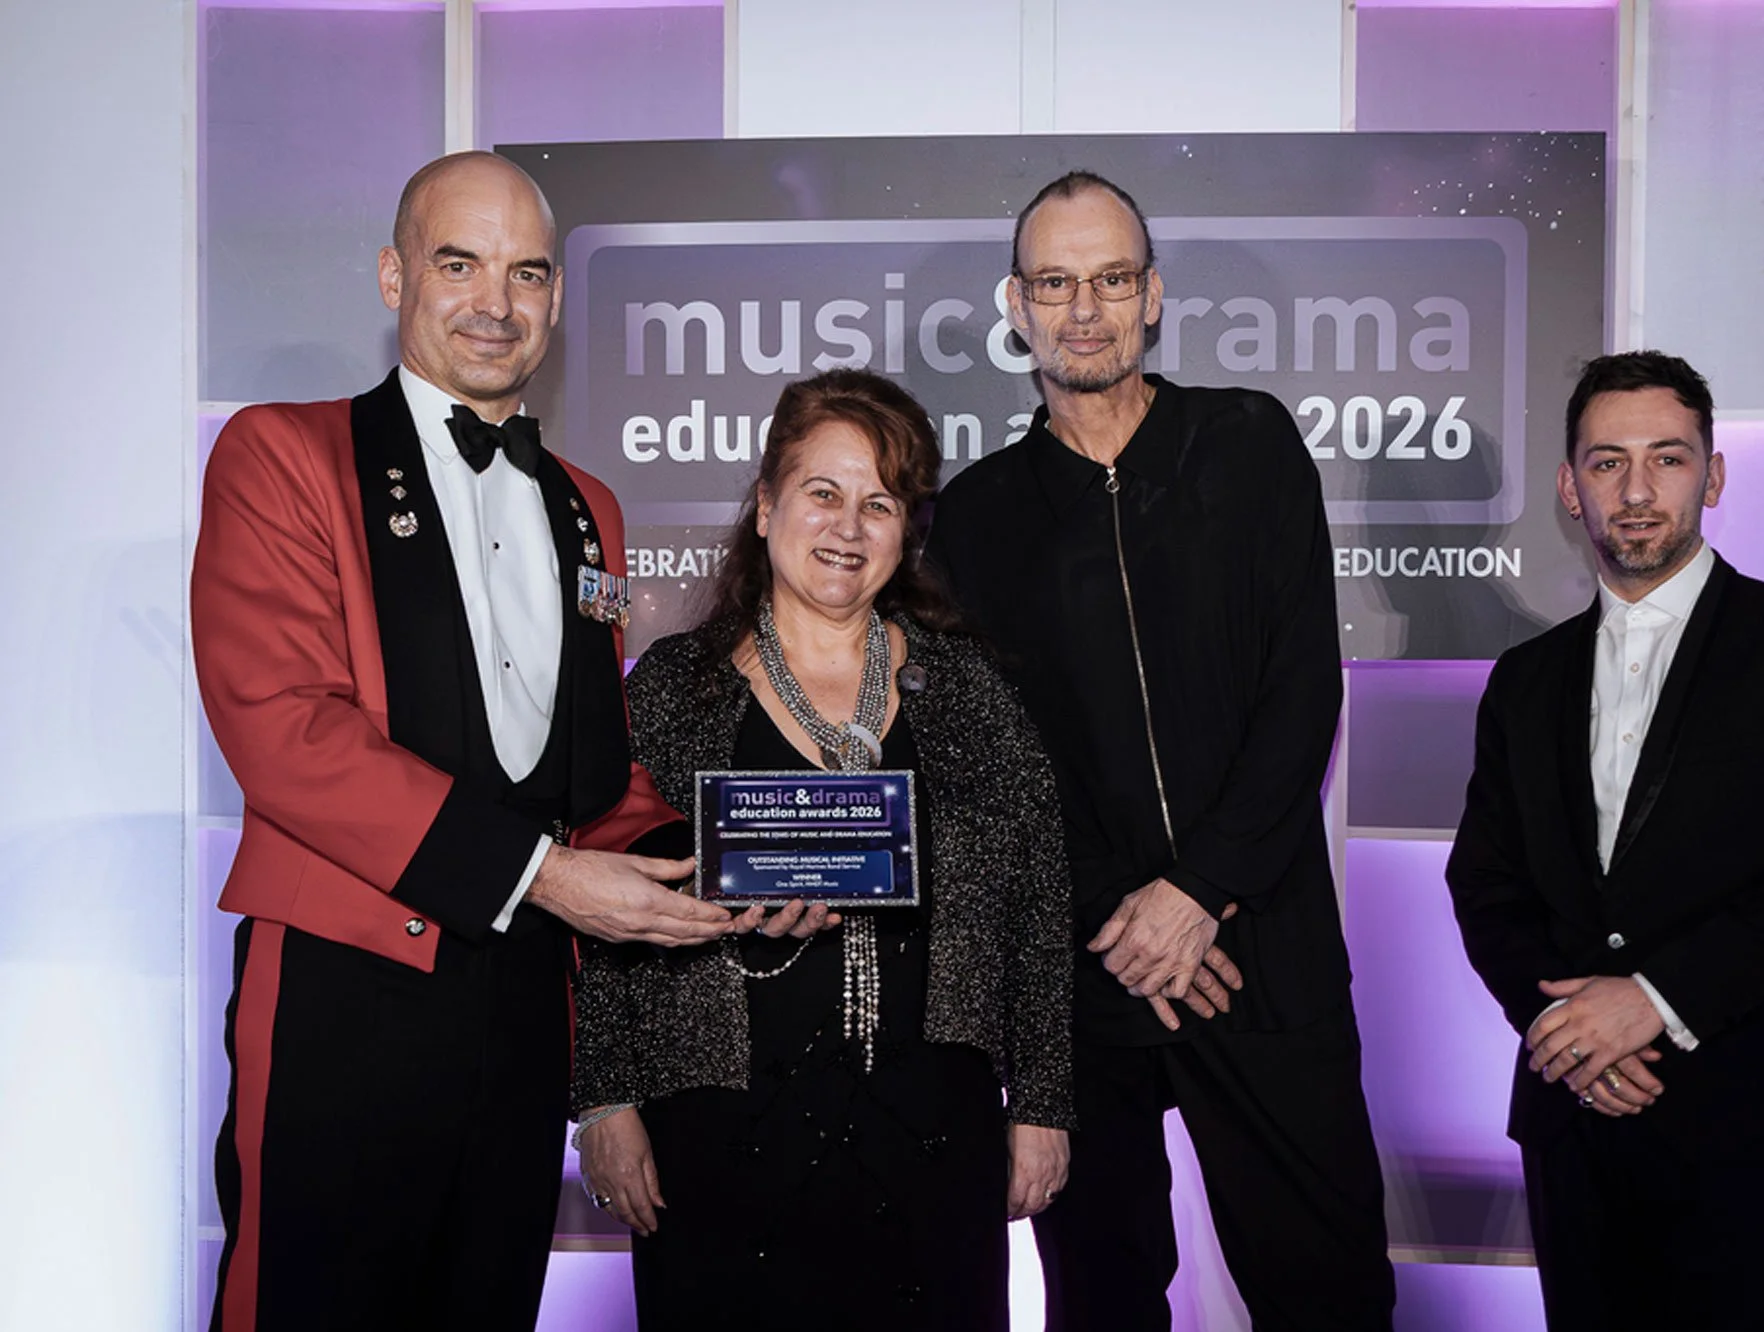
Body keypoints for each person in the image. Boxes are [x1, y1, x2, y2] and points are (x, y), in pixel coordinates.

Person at [192, 151, 757, 1332]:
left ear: (555, 298)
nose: (495, 303)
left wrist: (729, 868)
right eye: (460, 264)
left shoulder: (586, 504)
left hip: (518, 1014)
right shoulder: (283, 454)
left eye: (527, 273)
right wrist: (551, 877)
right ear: (396, 276)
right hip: (347, 992)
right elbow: (284, 730)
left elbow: (590, 778)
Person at [925, 171, 1396, 1331]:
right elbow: (994, 766)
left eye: (1110, 280)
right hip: (1086, 973)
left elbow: (1300, 690)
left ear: (1151, 298)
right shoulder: (975, 513)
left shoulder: (1247, 440)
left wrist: (1199, 891)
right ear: (1015, 306)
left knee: (1326, 1283)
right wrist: (1123, 918)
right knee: (1101, 1293)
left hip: (1259, 948)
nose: (1083, 308)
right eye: (1055, 283)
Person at [571, 367, 1075, 1331]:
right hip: (717, 1133)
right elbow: (602, 906)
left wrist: (1043, 1102)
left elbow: (1039, 900)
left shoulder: (967, 688)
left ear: (906, 530)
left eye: (879, 503)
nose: (848, 528)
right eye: (823, 493)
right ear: (765, 507)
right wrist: (605, 1101)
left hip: (933, 1130)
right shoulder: (674, 688)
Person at [1445, 350, 1764, 1331]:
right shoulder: (1523, 680)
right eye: (1607, 463)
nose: (1637, 490)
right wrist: (1569, 1038)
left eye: (1668, 457)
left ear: (1713, 473)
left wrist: (1651, 1003)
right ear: (1569, 488)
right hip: (1573, 1116)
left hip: (1752, 1112)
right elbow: (1484, 886)